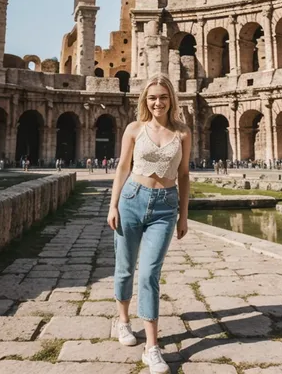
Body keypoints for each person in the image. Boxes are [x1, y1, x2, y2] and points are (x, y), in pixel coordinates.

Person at [107, 74, 191, 374]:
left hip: (165, 206)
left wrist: (183, 215)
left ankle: (152, 347)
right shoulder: (134, 129)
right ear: (145, 100)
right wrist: (113, 204)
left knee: (150, 274)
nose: (158, 102)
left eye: (163, 97)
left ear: (171, 100)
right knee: (125, 267)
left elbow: (183, 175)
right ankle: (123, 321)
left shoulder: (182, 133)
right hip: (131, 199)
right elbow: (122, 167)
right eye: (153, 97)